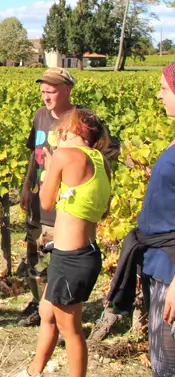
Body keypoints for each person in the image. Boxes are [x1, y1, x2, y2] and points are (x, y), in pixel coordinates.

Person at [17, 108, 113, 377]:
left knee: (71, 331)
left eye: (61, 128)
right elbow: (103, 210)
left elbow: (45, 203)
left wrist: (50, 169)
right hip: (85, 254)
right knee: (47, 313)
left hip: (69, 259)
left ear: (73, 131)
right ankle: (33, 371)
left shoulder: (63, 156)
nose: (57, 132)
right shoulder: (101, 161)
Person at [105, 63, 175, 376]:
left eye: (164, 88)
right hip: (158, 264)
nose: (159, 96)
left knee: (167, 364)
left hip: (170, 270)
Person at [17, 67, 77, 327]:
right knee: (35, 257)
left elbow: (102, 156)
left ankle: (57, 310)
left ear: (67, 90)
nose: (46, 96)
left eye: (51, 91)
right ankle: (38, 303)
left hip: (64, 204)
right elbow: (34, 154)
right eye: (43, 91)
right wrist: (26, 184)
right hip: (38, 201)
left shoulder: (81, 119)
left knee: (58, 262)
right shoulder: (40, 115)